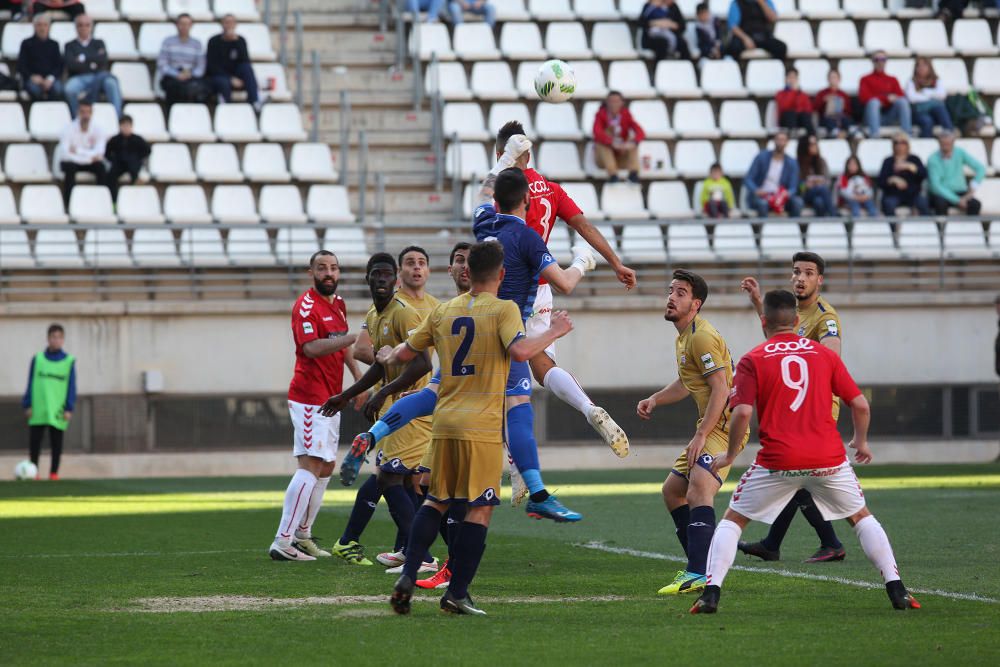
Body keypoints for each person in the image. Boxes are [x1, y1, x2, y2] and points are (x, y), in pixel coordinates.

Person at [341, 124, 634, 522]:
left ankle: (371, 436)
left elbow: (483, 192)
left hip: (467, 312)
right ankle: (537, 487)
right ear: (527, 199)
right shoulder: (532, 235)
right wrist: (586, 262)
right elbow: (563, 281)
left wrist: (502, 160)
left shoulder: (482, 221)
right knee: (519, 400)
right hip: (507, 318)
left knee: (436, 390)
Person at [690, 289, 921, 614]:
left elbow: (742, 413)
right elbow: (860, 404)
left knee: (733, 520)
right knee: (860, 517)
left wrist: (729, 456)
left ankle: (710, 594)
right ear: (797, 321)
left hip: (778, 460)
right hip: (827, 458)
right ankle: (897, 589)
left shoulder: (753, 358)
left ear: (763, 321)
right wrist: (861, 441)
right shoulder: (824, 355)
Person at [384, 240, 574, 616]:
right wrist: (554, 331)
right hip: (481, 427)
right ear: (502, 274)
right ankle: (457, 593)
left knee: (436, 500)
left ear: (467, 271)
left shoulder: (444, 310)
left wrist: (386, 355)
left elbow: (403, 353)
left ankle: (407, 575)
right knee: (481, 508)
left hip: (444, 424)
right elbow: (520, 352)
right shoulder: (504, 309)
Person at [318, 251, 440, 573]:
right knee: (400, 480)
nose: (382, 280)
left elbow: (423, 363)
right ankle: (411, 552)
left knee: (391, 478)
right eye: (377, 274)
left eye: (387, 275)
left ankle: (420, 555)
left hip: (413, 409)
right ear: (368, 279)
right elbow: (376, 366)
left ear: (395, 280)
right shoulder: (374, 315)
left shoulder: (404, 314)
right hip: (396, 407)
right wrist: (346, 395)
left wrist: (384, 391)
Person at [637, 269, 749, 596]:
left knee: (700, 488)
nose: (671, 297)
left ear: (695, 303)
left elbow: (720, 388)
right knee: (673, 491)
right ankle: (703, 565)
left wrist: (701, 434)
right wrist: (656, 398)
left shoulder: (701, 336)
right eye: (671, 290)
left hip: (725, 428)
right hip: (711, 427)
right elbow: (689, 383)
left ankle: (699, 573)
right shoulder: (685, 336)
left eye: (681, 293)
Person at [738, 253, 850, 564]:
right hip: (797, 406)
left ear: (820, 280)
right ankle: (773, 544)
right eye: (796, 272)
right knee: (793, 474)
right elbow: (777, 341)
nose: (800, 278)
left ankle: (830, 542)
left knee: (795, 473)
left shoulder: (826, 318)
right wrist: (759, 302)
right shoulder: (794, 312)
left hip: (818, 408)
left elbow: (831, 361)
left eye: (808, 273)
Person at [268, 251, 361, 561]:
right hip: (310, 397)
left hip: (331, 396)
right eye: (322, 268)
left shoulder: (338, 304)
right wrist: (352, 338)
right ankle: (283, 541)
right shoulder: (305, 307)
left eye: (334, 267)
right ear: (311, 273)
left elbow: (344, 346)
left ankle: (303, 535)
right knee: (310, 465)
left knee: (326, 466)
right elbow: (312, 348)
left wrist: (358, 381)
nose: (329, 273)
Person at [23, 324, 76, 481]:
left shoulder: (68, 361)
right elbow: (30, 382)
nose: (56, 340)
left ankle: (54, 473)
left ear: (63, 340)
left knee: (56, 443)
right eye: (53, 337)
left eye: (59, 337)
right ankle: (34, 473)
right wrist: (27, 403)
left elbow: (72, 386)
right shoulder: (38, 359)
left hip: (57, 409)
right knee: (35, 442)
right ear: (48, 338)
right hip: (39, 408)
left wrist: (69, 407)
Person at [64, 13, 122, 119]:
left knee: (112, 84)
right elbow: (71, 65)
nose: (84, 28)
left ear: (91, 27)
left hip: (99, 76)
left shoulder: (99, 43)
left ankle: (117, 118)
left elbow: (103, 60)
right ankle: (78, 118)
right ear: (76, 27)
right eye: (80, 25)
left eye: (87, 25)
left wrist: (82, 58)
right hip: (79, 78)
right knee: (70, 89)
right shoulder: (70, 45)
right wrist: (92, 61)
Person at [58, 100, 108, 207]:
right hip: (72, 162)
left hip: (85, 161)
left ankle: (101, 202)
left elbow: (100, 152)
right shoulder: (68, 129)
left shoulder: (98, 129)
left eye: (88, 112)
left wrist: (78, 152)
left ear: (91, 113)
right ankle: (69, 204)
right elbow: (65, 154)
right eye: (82, 112)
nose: (85, 115)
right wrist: (89, 157)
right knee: (70, 168)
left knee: (101, 167)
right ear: (78, 112)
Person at [206, 14, 260, 109]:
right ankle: (227, 108)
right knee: (223, 82)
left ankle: (254, 102)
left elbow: (245, 60)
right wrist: (231, 79)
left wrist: (236, 42)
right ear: (222, 24)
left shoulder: (241, 40)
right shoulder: (213, 41)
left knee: (247, 68)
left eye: (232, 22)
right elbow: (212, 66)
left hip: (236, 73)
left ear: (235, 25)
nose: (229, 25)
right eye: (227, 22)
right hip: (220, 75)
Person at [743, 131, 803, 217]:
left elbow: (793, 187)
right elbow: (748, 179)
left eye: (783, 140)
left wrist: (786, 193)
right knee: (762, 204)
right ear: (774, 141)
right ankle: (763, 229)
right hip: (763, 196)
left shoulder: (792, 163)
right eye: (778, 139)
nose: (780, 142)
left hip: (780, 197)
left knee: (797, 202)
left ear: (787, 142)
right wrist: (756, 190)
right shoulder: (761, 157)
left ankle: (794, 228)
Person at [593, 91, 645, 184]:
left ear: (622, 103)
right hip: (604, 161)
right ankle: (613, 175)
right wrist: (612, 143)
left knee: (633, 141)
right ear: (607, 103)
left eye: (617, 101)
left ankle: (633, 173)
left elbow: (640, 131)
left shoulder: (626, 115)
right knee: (601, 143)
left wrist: (632, 143)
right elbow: (597, 132)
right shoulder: (600, 115)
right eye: (611, 101)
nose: (614, 104)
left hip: (621, 157)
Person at [927, 132, 985, 216]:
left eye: (948, 144)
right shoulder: (933, 159)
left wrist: (973, 185)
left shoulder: (959, 152)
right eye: (943, 144)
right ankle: (941, 229)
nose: (946, 146)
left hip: (960, 192)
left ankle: (970, 227)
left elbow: (980, 168)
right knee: (940, 203)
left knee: (975, 204)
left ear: (953, 143)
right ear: (939, 143)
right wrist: (957, 200)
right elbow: (935, 186)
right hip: (942, 194)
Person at [156, 13, 209, 105]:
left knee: (201, 88)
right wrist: (177, 74)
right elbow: (162, 64)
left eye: (187, 24)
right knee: (174, 87)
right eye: (182, 24)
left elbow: (201, 66)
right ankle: (171, 115)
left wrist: (190, 74)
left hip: (190, 75)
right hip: (172, 76)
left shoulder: (197, 44)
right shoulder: (168, 42)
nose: (184, 27)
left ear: (191, 26)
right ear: (177, 25)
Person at [859, 50, 912, 138]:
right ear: (872, 61)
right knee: (874, 103)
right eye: (877, 59)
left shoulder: (892, 79)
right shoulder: (865, 79)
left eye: (883, 59)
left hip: (889, 116)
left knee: (902, 101)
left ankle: (906, 135)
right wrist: (885, 99)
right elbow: (863, 98)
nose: (880, 62)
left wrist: (890, 99)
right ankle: (874, 136)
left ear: (886, 61)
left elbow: (900, 96)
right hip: (871, 117)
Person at [878, 132, 930, 216]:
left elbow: (924, 175)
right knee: (889, 204)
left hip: (912, 194)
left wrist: (911, 167)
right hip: (893, 194)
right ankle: (893, 229)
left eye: (902, 142)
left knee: (923, 202)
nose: (899, 145)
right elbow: (880, 181)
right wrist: (892, 180)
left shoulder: (914, 159)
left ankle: (928, 227)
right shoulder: (888, 161)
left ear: (907, 145)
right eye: (896, 143)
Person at [17, 12, 63, 102]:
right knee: (35, 90)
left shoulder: (54, 44)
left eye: (45, 25)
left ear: (49, 27)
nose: (42, 28)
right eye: (39, 25)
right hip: (33, 78)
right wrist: (32, 76)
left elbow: (59, 65)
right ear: (34, 26)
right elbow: (21, 65)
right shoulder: (26, 43)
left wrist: (50, 79)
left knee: (58, 89)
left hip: (50, 79)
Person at [104, 115, 151, 202]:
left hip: (133, 164)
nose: (126, 128)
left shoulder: (138, 139)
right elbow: (107, 153)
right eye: (124, 125)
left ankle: (134, 200)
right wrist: (113, 160)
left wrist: (138, 158)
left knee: (136, 176)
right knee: (110, 176)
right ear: (120, 126)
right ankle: (113, 201)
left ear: (131, 126)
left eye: (128, 125)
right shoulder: (115, 140)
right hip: (119, 164)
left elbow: (147, 150)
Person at [906, 57, 953, 139]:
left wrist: (925, 92)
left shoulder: (936, 80)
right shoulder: (911, 81)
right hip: (918, 112)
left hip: (934, 112)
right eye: (919, 66)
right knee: (927, 121)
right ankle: (926, 144)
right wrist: (932, 97)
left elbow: (942, 95)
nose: (921, 68)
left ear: (929, 67)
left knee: (940, 109)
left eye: (924, 65)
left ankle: (949, 135)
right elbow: (912, 98)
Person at [796, 135, 834, 217]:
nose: (815, 146)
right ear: (805, 146)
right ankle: (834, 215)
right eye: (812, 144)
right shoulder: (797, 163)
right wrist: (805, 185)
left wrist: (821, 182)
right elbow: (797, 186)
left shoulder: (821, 162)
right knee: (822, 189)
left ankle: (823, 226)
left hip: (819, 195)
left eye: (816, 144)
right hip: (804, 194)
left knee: (819, 202)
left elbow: (828, 181)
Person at [775, 68, 814, 135]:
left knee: (805, 116)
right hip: (786, 120)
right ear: (786, 79)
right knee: (790, 114)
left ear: (797, 79)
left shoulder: (803, 94)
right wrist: (793, 92)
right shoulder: (780, 93)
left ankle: (812, 137)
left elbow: (808, 110)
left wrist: (797, 94)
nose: (792, 80)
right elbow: (784, 107)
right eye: (790, 77)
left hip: (799, 119)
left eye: (794, 77)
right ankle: (793, 137)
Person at [814, 70, 852, 138]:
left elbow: (849, 111)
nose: (833, 79)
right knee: (829, 120)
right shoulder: (822, 93)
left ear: (839, 79)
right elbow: (816, 109)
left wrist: (843, 105)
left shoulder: (843, 95)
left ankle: (850, 133)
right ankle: (836, 133)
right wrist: (824, 101)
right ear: (828, 79)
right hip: (827, 119)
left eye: (835, 77)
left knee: (847, 120)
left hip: (841, 118)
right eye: (831, 77)